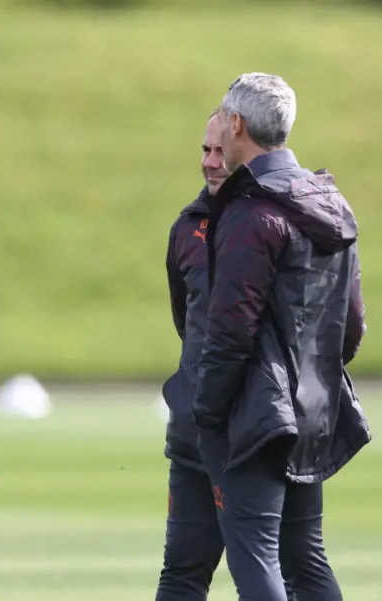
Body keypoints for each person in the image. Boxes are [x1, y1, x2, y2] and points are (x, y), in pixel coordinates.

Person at [192, 72, 371, 601]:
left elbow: (231, 330)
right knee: (306, 559)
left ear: (235, 124)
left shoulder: (250, 212)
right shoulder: (330, 203)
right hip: (314, 407)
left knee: (255, 556)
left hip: (255, 412)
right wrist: (311, 377)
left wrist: (208, 410)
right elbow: (350, 325)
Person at [155, 108, 228, 600]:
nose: (210, 161)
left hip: (254, 430)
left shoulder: (273, 223)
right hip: (194, 430)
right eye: (205, 149)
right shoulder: (187, 227)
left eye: (221, 150)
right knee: (181, 573)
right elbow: (187, 322)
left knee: (283, 568)